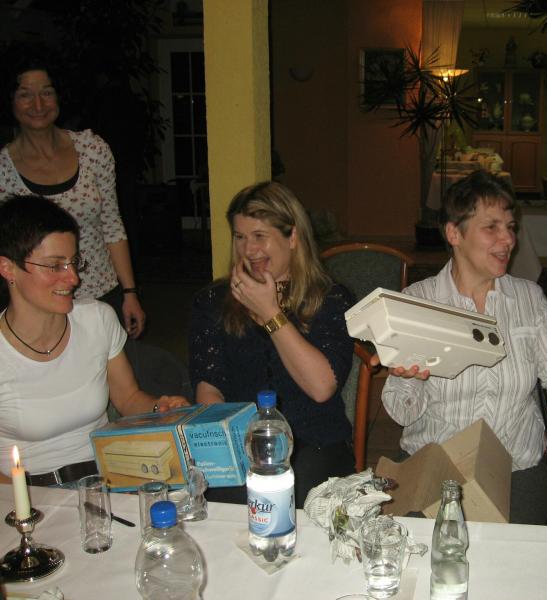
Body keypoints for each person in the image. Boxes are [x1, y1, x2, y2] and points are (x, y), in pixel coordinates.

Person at [379, 170, 547, 524]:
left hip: (516, 467)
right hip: (433, 462)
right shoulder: (418, 302)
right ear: (454, 233)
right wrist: (410, 377)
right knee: (425, 547)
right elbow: (402, 413)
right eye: (492, 227)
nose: (508, 239)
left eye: (511, 227)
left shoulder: (528, 299)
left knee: (502, 548)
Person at [0, 195, 188, 486]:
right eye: (55, 266)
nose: (73, 278)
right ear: (8, 268)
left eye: (74, 262)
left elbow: (127, 398)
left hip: (104, 481)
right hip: (27, 493)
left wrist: (160, 409)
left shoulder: (97, 319)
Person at [188, 181, 355, 507]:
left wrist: (270, 314)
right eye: (240, 237)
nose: (249, 249)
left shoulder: (330, 299)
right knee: (225, 499)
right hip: (243, 448)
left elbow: (321, 387)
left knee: (295, 494)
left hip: (317, 442)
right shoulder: (212, 302)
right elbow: (209, 389)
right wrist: (227, 451)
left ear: (292, 238)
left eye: (259, 236)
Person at [0, 57, 146, 337]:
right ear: (10, 102)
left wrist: (129, 292)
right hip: (40, 304)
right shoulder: (3, 169)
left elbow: (112, 225)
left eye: (46, 92)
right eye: (25, 95)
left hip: (102, 294)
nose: (38, 104)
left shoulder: (93, 149)